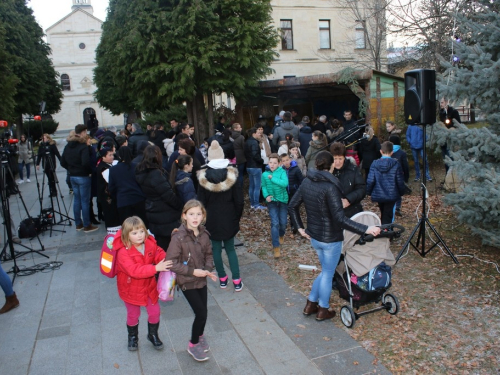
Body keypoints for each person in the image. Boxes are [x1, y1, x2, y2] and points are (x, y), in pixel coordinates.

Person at [288, 151, 380, 321]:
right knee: (328, 274)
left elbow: (292, 206)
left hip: (315, 237)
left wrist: (300, 228)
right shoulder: (330, 186)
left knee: (325, 273)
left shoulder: (307, 181)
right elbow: (340, 219)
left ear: (316, 164)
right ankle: (323, 309)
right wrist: (366, 229)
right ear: (330, 166)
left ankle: (310, 304)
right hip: (330, 239)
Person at [166, 200, 217, 362]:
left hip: (201, 278)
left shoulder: (204, 234)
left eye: (198, 214)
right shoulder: (178, 237)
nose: (195, 217)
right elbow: (171, 262)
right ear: (184, 216)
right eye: (191, 214)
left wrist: (208, 270)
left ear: (203, 216)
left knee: (204, 312)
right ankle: (193, 344)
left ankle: (200, 335)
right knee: (201, 313)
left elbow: (209, 254)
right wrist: (193, 271)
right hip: (186, 280)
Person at [113, 216, 172, 351]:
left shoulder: (149, 243)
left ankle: (152, 335)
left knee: (155, 312)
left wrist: (165, 259)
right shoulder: (123, 252)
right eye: (134, 233)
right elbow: (134, 270)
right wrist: (156, 268)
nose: (139, 235)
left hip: (148, 287)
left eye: (141, 231)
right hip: (130, 289)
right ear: (126, 235)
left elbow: (157, 252)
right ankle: (133, 337)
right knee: (133, 315)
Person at [197, 149, 244, 291]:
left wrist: (202, 219)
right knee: (230, 249)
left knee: (215, 249)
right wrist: (236, 217)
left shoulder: (203, 176)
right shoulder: (232, 174)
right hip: (229, 216)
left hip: (211, 218)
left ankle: (222, 279)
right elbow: (239, 201)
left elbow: (201, 202)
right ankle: (236, 280)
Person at [135, 145, 183, 251]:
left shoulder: (141, 172)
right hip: (165, 215)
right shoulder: (155, 174)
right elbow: (168, 196)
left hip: (153, 212)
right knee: (169, 247)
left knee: (161, 245)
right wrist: (181, 206)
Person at [61, 125, 98, 233]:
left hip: (73, 175)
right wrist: (89, 171)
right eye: (85, 132)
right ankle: (87, 225)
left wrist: (71, 169)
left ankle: (78, 224)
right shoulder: (83, 146)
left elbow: (63, 162)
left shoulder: (68, 146)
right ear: (82, 132)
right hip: (83, 176)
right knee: (85, 201)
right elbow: (85, 162)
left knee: (77, 200)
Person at [366, 141, 406, 225]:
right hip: (391, 193)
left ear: (381, 151)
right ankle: (386, 233)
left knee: (383, 212)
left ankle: (384, 231)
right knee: (388, 215)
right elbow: (399, 180)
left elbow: (370, 180)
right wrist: (401, 192)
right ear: (392, 152)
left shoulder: (374, 164)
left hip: (379, 193)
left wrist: (369, 191)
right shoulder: (396, 164)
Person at [108, 146, 149, 226]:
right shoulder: (137, 166)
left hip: (123, 200)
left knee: (127, 226)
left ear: (119, 156)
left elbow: (111, 188)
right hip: (138, 198)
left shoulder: (113, 170)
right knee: (143, 224)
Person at [262, 153, 289, 258]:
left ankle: (281, 234)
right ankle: (276, 246)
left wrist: (272, 178)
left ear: (279, 164)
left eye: (274, 163)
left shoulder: (282, 172)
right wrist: (266, 196)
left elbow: (284, 184)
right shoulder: (264, 174)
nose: (272, 165)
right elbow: (263, 186)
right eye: (270, 162)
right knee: (275, 223)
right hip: (272, 201)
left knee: (283, 222)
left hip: (282, 200)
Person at [330, 142, 366, 218]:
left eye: (340, 159)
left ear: (344, 158)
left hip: (352, 211)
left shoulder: (353, 169)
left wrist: (349, 199)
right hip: (333, 213)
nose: (337, 162)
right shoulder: (327, 171)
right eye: (335, 159)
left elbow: (361, 189)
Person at [96, 147, 121, 234]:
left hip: (111, 197)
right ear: (103, 157)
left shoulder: (108, 165)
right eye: (109, 155)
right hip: (108, 198)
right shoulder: (103, 168)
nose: (112, 157)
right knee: (112, 218)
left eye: (112, 154)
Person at [280, 153, 304, 237]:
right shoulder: (282, 170)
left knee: (294, 209)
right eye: (284, 161)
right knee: (290, 210)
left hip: (295, 192)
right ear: (281, 162)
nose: (286, 162)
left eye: (287, 160)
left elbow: (301, 181)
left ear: (290, 160)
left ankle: (299, 227)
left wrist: (300, 192)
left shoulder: (296, 169)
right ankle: (294, 226)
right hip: (286, 193)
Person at [244, 128, 265, 210]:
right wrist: (261, 160)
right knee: (257, 186)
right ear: (253, 133)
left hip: (248, 166)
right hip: (255, 166)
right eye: (258, 133)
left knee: (252, 186)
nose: (260, 134)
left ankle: (252, 203)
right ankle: (256, 204)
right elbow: (255, 155)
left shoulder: (247, 141)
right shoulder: (254, 142)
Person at [439, 98, 461, 174]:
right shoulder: (441, 113)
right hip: (443, 141)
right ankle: (447, 176)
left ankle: (452, 176)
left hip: (451, 140)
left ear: (446, 102)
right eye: (440, 103)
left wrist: (451, 129)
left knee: (451, 159)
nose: (440, 104)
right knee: (445, 160)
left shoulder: (454, 112)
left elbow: (458, 125)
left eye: (442, 102)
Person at [389, 135, 410, 217]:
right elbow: (405, 166)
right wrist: (406, 177)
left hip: (389, 176)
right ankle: (397, 207)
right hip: (399, 175)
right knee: (398, 192)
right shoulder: (402, 153)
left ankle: (391, 207)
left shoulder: (387, 151)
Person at [230, 123, 246, 187]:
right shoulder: (241, 137)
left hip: (232, 158)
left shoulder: (229, 137)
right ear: (235, 128)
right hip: (241, 158)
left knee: (233, 174)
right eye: (239, 127)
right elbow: (244, 148)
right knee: (240, 174)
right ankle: (240, 188)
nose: (241, 128)